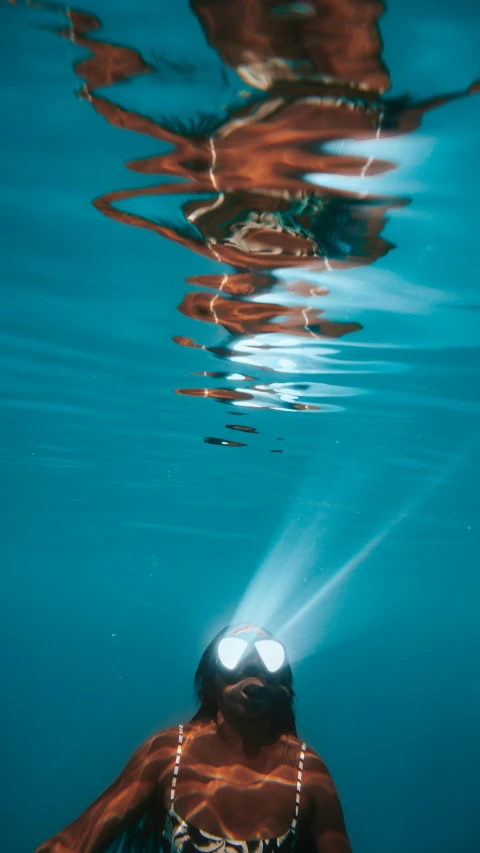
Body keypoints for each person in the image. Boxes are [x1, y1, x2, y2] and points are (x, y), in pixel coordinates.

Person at [34, 625, 352, 853]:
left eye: (269, 656)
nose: (252, 665)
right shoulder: (168, 753)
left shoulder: (307, 772)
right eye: (233, 653)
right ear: (211, 680)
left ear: (282, 685)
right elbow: (76, 842)